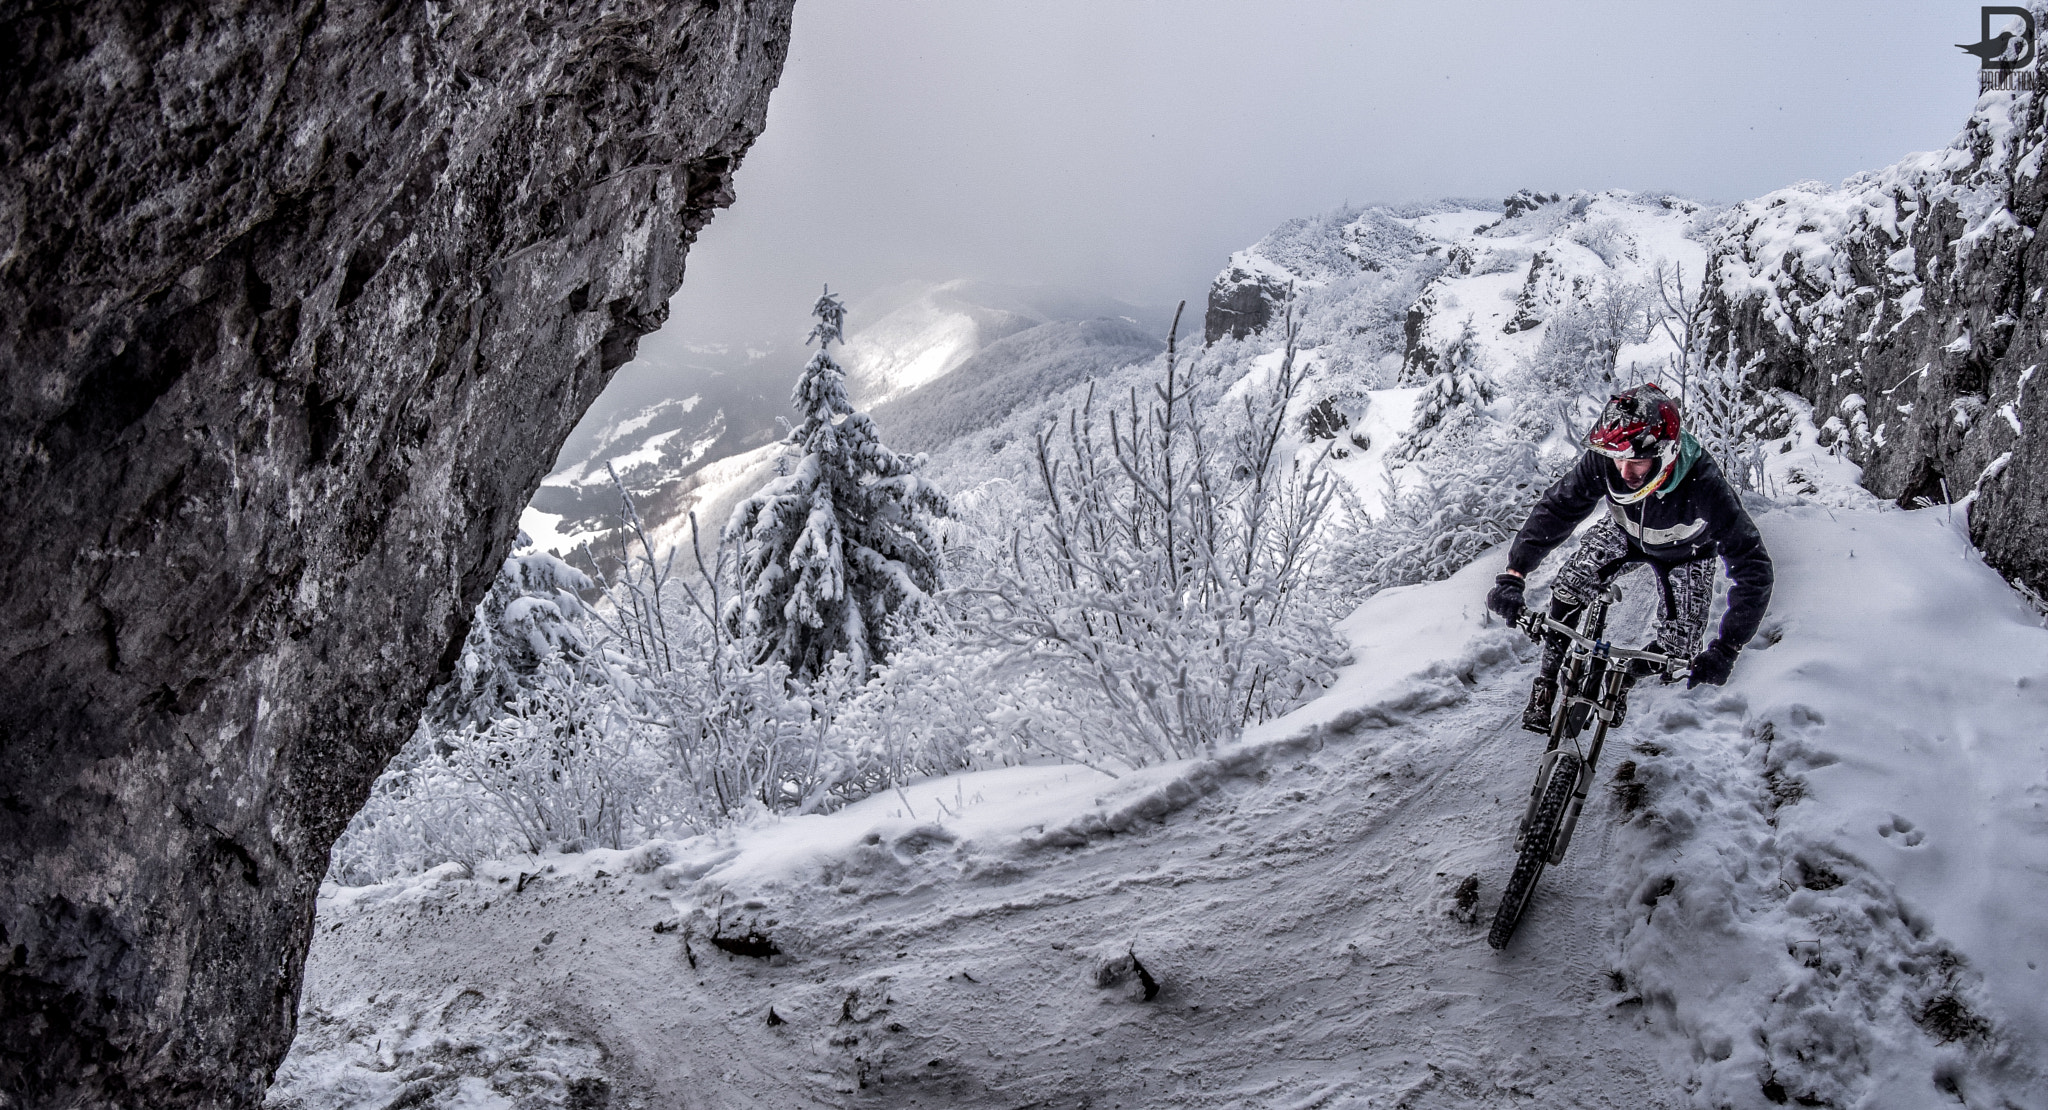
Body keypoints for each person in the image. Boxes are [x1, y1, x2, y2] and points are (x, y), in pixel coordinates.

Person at [1485, 383, 1773, 732]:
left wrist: (1728, 646)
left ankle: (1626, 678)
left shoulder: (1704, 482)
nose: (1623, 472)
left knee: (1678, 650)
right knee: (1569, 587)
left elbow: (1752, 565)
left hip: (1688, 553)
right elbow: (1560, 507)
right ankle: (1546, 680)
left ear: (1666, 454)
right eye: (1617, 458)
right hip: (1623, 532)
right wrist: (1514, 573)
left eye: (1636, 462)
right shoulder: (1607, 458)